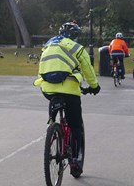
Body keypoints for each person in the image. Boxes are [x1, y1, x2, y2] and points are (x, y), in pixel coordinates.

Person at [34, 22, 101, 176]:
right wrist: (94, 86)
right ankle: (75, 160)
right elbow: (87, 69)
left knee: (55, 106)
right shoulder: (76, 47)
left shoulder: (48, 45)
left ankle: (53, 127)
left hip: (47, 89)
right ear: (75, 36)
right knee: (76, 126)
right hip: (69, 90)